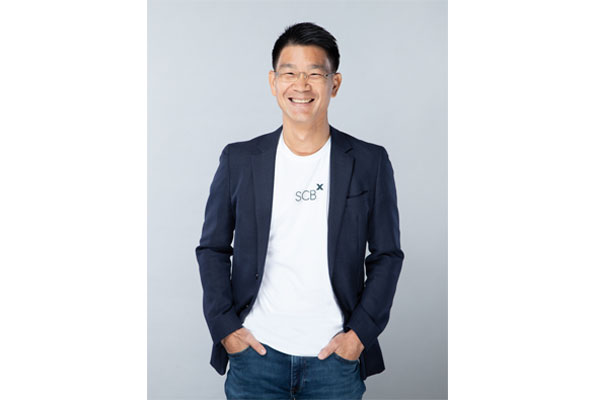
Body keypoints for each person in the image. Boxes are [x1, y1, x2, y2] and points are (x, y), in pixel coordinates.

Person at [195, 22, 404, 399]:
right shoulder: (239, 160)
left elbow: (387, 255)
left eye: (314, 74)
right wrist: (226, 329)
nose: (301, 85)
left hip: (335, 360)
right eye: (289, 73)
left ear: (335, 83)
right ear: (273, 82)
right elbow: (212, 248)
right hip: (255, 356)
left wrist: (358, 337)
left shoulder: (369, 162)